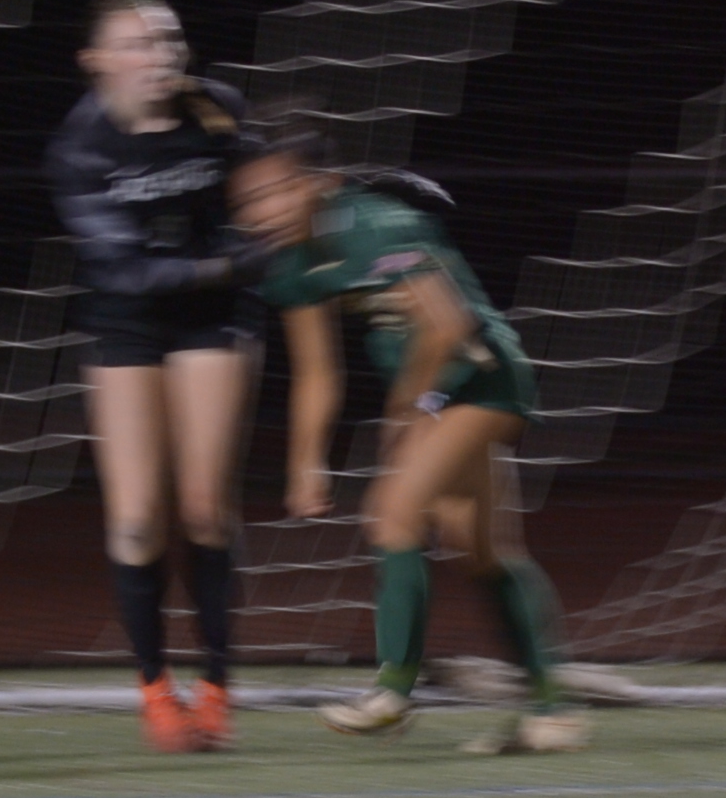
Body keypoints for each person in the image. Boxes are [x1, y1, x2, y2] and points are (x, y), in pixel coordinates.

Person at [232, 138, 584, 755]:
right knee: (482, 550)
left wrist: (412, 410)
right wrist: (306, 461)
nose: (264, 210)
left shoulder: (376, 223)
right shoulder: (290, 265)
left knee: (392, 513)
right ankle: (554, 712)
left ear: (319, 182)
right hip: (434, 393)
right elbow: (317, 373)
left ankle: (393, 693)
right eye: (250, 200)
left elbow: (449, 327)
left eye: (278, 191)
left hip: (482, 377)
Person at [47, 0, 256, 750]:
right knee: (137, 522)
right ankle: (155, 691)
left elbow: (268, 197)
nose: (161, 54)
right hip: (128, 318)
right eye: (138, 43)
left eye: (169, 38)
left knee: (204, 511)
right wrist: (233, 261)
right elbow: (126, 274)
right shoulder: (80, 149)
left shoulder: (220, 111)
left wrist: (277, 225)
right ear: (97, 62)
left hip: (213, 318)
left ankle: (217, 688)